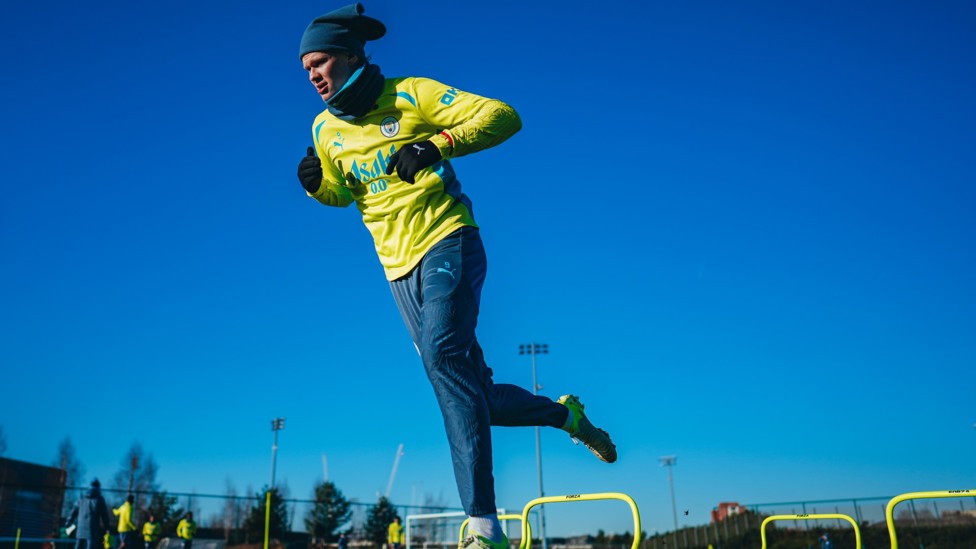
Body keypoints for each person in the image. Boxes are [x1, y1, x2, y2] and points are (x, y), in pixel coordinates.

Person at [296, 5, 617, 549]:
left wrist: (435, 144)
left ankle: (483, 528)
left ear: (352, 54)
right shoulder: (324, 129)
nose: (314, 75)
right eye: (306, 69)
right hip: (397, 271)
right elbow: (343, 193)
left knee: (442, 358)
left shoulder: (410, 94)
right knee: (476, 398)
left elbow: (503, 116)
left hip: (450, 240)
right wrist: (314, 186)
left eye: (321, 61)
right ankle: (567, 417)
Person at [67, 479, 111, 549]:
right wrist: (107, 526)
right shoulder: (99, 499)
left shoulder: (81, 499)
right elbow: (104, 514)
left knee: (78, 545)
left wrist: (68, 522)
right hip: (92, 528)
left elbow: (73, 511)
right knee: (90, 545)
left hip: (80, 528)